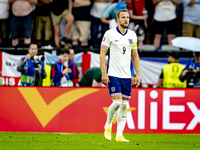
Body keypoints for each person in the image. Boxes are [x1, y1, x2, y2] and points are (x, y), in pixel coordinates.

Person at [100, 9, 140, 142]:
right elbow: (102, 54)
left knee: (124, 105)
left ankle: (119, 135)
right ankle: (108, 125)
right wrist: (104, 73)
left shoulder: (133, 35)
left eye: (127, 17)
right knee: (117, 102)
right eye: (123, 17)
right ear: (117, 20)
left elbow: (135, 56)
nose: (126, 20)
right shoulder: (109, 34)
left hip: (127, 76)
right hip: (113, 74)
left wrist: (137, 74)